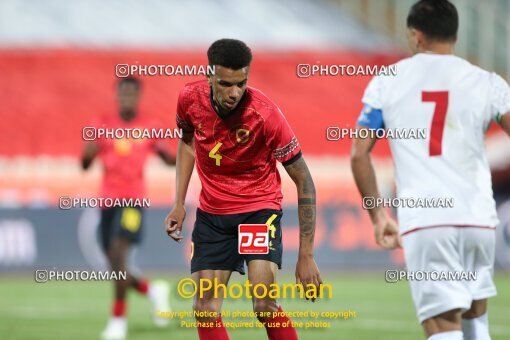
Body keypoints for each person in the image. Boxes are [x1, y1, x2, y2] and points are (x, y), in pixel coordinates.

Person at [351, 1, 510, 339]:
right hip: (479, 219)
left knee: (443, 327)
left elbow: (359, 153)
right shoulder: (487, 81)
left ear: (415, 34)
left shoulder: (387, 81)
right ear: (455, 34)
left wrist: (379, 216)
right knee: (474, 320)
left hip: (427, 222)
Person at [165, 38, 322, 340]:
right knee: (205, 308)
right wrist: (179, 202)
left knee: (263, 303)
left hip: (257, 212)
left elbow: (304, 180)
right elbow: (186, 143)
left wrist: (306, 255)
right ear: (209, 74)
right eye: (226, 84)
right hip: (212, 215)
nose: (235, 93)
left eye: (242, 83)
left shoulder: (265, 114)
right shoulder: (189, 99)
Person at [82, 77, 176, 340]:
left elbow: (169, 160)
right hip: (107, 202)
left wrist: (180, 150)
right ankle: (152, 291)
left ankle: (118, 321)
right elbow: (85, 164)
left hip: (133, 201)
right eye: (122, 95)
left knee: (120, 253)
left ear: (138, 97)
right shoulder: (102, 125)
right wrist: (88, 152)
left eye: (131, 95)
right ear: (117, 96)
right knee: (114, 263)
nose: (127, 99)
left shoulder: (149, 127)